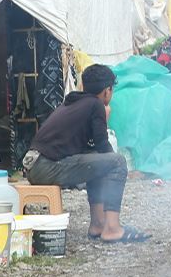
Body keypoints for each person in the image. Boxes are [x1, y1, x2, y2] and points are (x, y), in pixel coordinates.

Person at [25, 64, 143, 242]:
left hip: (35, 165)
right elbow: (103, 146)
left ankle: (98, 224)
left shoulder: (73, 102)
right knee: (117, 161)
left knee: (98, 160)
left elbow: (93, 149)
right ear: (107, 91)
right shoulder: (96, 105)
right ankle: (112, 228)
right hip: (47, 166)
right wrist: (115, 164)